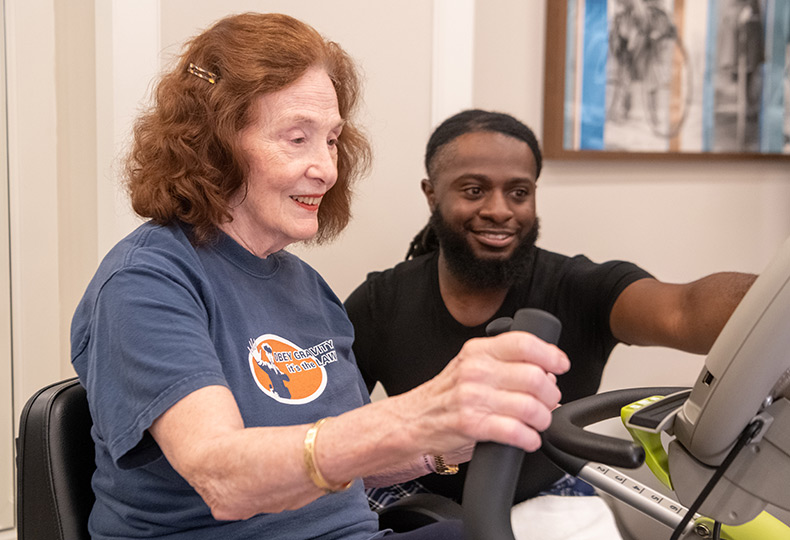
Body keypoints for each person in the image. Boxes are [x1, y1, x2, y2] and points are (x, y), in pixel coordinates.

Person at [70, 16, 570, 540]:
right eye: (297, 139)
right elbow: (223, 476)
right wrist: (418, 414)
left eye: (331, 140)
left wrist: (454, 437)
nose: (327, 169)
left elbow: (340, 461)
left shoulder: (305, 287)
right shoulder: (145, 283)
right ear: (212, 147)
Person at [344, 109, 757, 511]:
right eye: (474, 190)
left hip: (553, 495)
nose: (500, 210)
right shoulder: (381, 301)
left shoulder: (580, 287)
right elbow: (332, 429)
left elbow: (684, 311)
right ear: (432, 193)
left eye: (519, 193)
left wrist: (774, 303)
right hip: (410, 499)